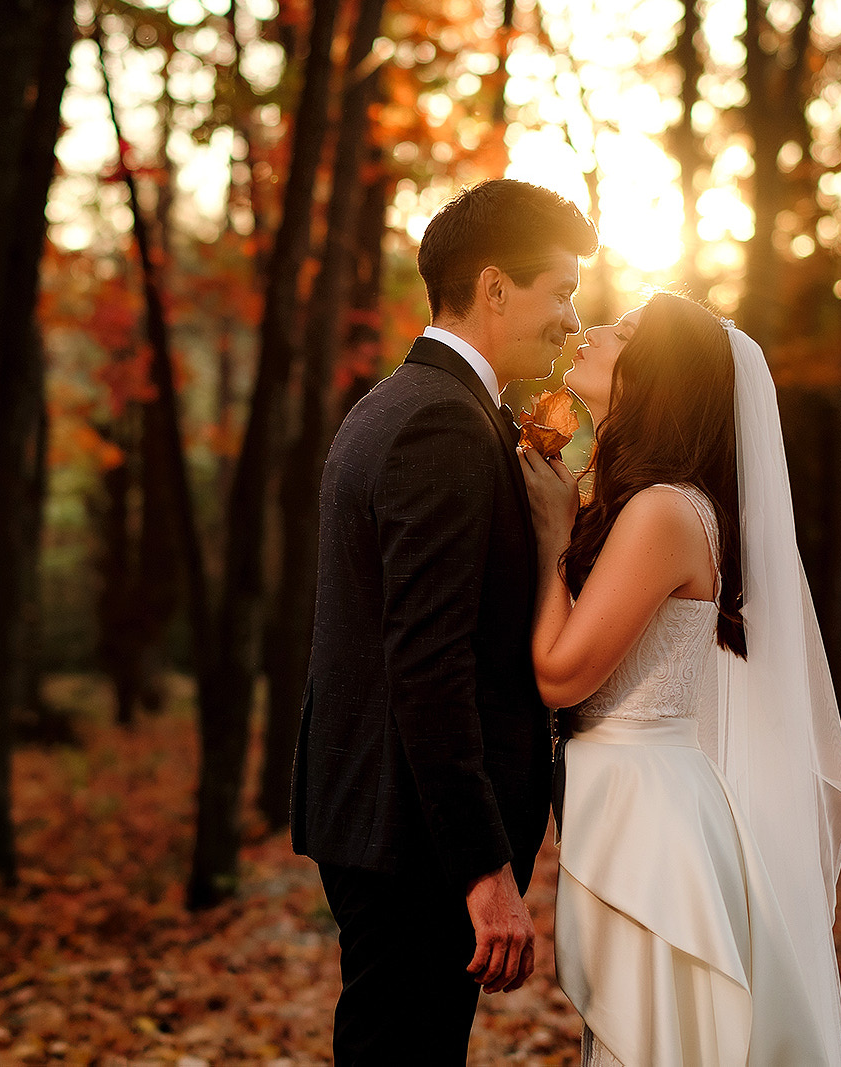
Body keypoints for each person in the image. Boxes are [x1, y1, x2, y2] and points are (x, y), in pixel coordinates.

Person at [289, 178, 598, 1065]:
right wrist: (482, 869)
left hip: (392, 819)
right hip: (415, 840)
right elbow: (428, 661)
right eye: (560, 292)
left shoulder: (403, 403)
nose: (572, 320)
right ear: (495, 287)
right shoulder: (441, 425)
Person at [520, 291, 841, 1066]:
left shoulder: (665, 511)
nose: (591, 331)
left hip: (650, 819)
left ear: (659, 376)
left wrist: (549, 537)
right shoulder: (641, 502)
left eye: (623, 331)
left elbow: (561, 676)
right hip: (631, 799)